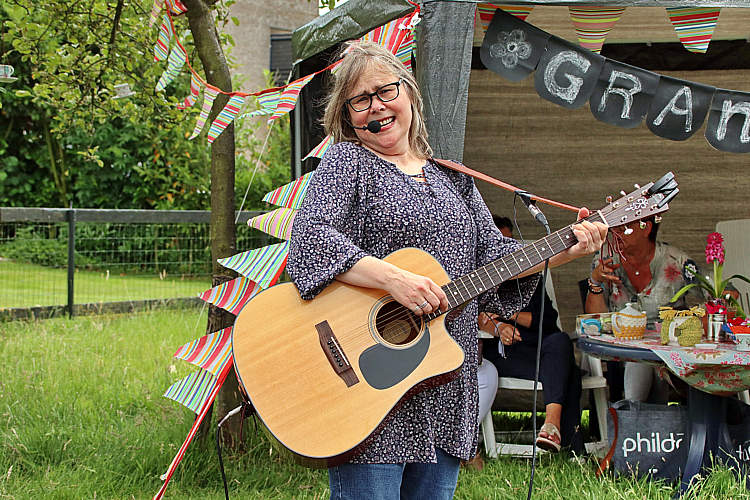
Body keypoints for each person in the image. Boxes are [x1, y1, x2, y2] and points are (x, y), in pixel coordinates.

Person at [287, 40, 608, 500]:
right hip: (368, 383)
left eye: (385, 91)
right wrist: (393, 279)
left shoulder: (453, 178)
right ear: (347, 114)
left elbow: (498, 258)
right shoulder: (347, 163)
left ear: (409, 93)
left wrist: (568, 249)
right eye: (360, 99)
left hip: (444, 384)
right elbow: (310, 238)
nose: (376, 106)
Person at [479, 215, 584, 453]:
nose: (505, 251)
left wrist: (506, 314)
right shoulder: (478, 280)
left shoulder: (528, 278)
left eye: (510, 243)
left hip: (539, 347)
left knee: (560, 342)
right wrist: (498, 326)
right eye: (499, 243)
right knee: (568, 370)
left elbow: (547, 319)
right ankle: (569, 442)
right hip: (504, 353)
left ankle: (552, 426)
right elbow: (477, 317)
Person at [584, 217, 704, 402]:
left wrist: (695, 320)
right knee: (643, 360)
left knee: (652, 361)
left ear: (646, 228)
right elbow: (595, 318)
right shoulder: (606, 259)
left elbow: (717, 293)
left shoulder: (676, 261)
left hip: (671, 351)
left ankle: (634, 414)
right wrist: (595, 281)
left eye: (624, 228)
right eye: (615, 229)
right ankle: (641, 413)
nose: (616, 234)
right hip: (625, 349)